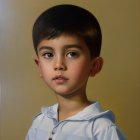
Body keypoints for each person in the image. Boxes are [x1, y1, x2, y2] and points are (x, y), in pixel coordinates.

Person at [26, 4, 125, 140]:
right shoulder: (40, 122)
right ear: (39, 66)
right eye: (48, 54)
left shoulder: (101, 130)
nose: (58, 65)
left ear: (95, 65)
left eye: (72, 54)